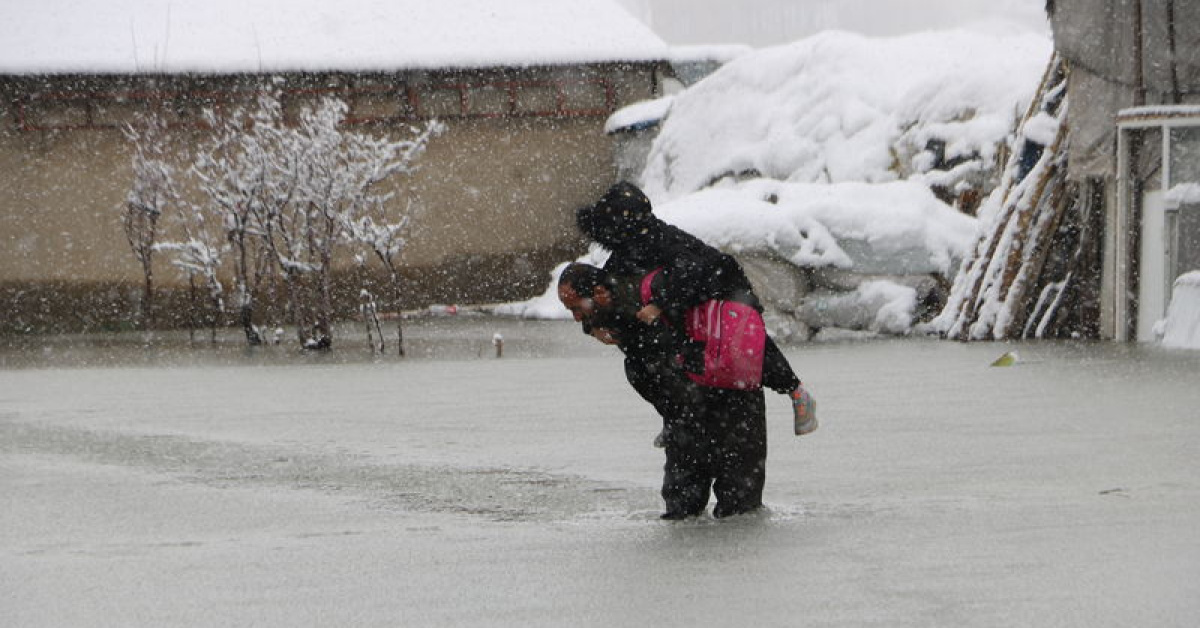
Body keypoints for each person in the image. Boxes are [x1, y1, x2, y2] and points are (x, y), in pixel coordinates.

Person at [576, 181, 816, 435]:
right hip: (688, 305)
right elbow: (602, 294)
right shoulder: (624, 254)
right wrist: (592, 326)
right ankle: (676, 418)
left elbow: (689, 269)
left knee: (745, 348)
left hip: (723, 291)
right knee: (645, 365)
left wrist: (659, 304)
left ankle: (796, 392)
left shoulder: (659, 238)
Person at [558, 263, 767, 519]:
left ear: (600, 293)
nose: (577, 318)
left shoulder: (650, 298)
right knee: (682, 507)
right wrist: (590, 326)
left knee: (740, 510)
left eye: (578, 309)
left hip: (730, 398)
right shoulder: (610, 310)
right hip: (684, 412)